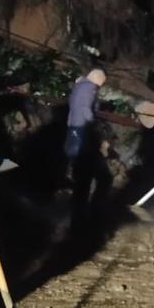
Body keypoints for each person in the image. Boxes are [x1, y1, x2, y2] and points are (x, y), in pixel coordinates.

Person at [65, 68, 106, 211]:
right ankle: (74, 185)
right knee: (77, 154)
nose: (101, 85)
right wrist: (92, 121)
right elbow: (86, 108)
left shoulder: (80, 85)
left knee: (71, 151)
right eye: (102, 82)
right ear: (97, 78)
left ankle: (68, 180)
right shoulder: (90, 88)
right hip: (81, 124)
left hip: (72, 122)